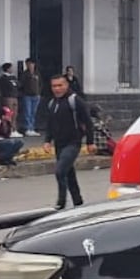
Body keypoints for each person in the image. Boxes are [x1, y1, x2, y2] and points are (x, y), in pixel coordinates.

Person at [44, 74, 93, 210]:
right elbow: (50, 124)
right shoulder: (52, 103)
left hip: (73, 142)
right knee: (69, 173)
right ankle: (78, 202)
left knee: (60, 171)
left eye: (60, 85)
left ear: (66, 85)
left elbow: (88, 122)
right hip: (59, 144)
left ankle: (61, 202)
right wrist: (47, 141)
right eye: (54, 86)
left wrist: (90, 142)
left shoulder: (75, 100)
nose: (57, 89)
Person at [18, 59, 40, 136]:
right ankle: (27, 128)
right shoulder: (24, 74)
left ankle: (32, 128)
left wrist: (39, 92)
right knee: (27, 112)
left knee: (33, 113)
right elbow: (21, 84)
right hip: (27, 95)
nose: (30, 65)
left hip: (36, 95)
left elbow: (41, 83)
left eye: (31, 64)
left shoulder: (37, 73)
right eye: (28, 64)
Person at [0, 62, 19, 131]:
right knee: (8, 114)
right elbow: (4, 87)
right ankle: (7, 129)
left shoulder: (13, 77)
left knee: (15, 114)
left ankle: (14, 128)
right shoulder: (3, 78)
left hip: (14, 96)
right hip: (8, 97)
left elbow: (18, 84)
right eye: (11, 68)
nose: (12, 69)